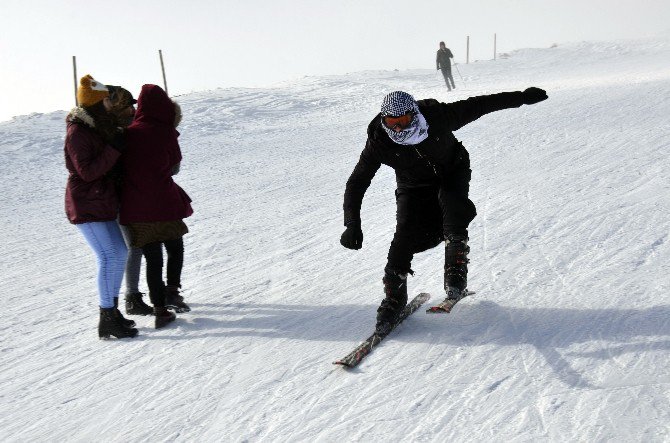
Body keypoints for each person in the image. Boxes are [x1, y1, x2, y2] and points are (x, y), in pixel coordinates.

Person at [340, 87, 548, 334]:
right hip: (413, 185)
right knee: (404, 234)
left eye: (403, 121)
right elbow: (357, 181)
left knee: (452, 208)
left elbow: (480, 103)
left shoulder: (437, 116)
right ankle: (393, 299)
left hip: (452, 170)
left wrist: (522, 97)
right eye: (391, 122)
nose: (397, 128)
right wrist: (352, 223)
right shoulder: (379, 142)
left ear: (414, 114)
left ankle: (455, 268)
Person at [64, 75, 138, 339]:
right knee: (110, 256)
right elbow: (87, 172)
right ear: (96, 103)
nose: (110, 102)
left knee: (118, 253)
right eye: (106, 98)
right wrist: (114, 149)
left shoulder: (97, 127)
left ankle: (113, 311)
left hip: (101, 201)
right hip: (86, 202)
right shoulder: (78, 132)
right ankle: (106, 317)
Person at [119, 84, 193, 329]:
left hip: (137, 206)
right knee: (175, 247)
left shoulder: (128, 133)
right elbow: (174, 167)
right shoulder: (166, 133)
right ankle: (172, 291)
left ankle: (160, 311)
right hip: (164, 202)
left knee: (153, 258)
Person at [105, 86, 155, 316]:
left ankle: (131, 296)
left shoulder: (125, 127)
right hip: (120, 196)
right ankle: (131, 297)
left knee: (133, 247)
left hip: (126, 195)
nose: (132, 109)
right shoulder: (113, 131)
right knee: (133, 247)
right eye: (127, 105)